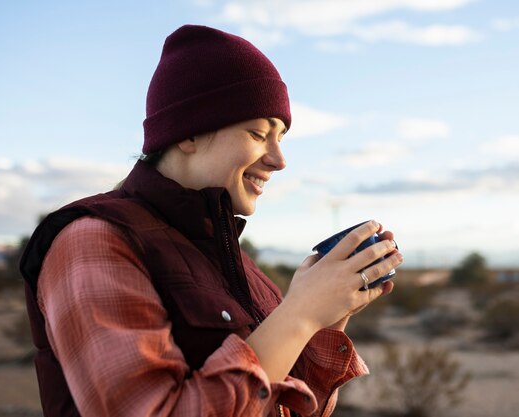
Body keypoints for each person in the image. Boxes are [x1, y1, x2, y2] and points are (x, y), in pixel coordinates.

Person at [20, 24, 403, 417]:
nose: (279, 159)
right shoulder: (92, 242)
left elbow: (288, 406)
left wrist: (328, 315)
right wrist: (299, 313)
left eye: (281, 138)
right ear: (189, 134)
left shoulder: (229, 257)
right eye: (258, 133)